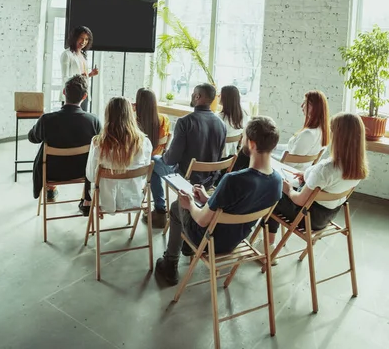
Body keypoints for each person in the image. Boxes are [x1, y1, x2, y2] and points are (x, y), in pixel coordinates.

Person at [155, 116, 283, 285]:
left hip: (210, 241)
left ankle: (170, 263)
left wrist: (191, 204)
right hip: (236, 239)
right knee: (194, 203)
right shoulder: (277, 181)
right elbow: (235, 207)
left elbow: (201, 220)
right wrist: (208, 198)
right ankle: (185, 247)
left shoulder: (233, 180)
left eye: (243, 136)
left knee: (177, 205)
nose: (241, 139)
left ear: (251, 144)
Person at [264, 112, 368, 258]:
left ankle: (268, 247)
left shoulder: (327, 168)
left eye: (332, 131)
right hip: (326, 217)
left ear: (339, 137)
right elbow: (329, 184)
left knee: (272, 191)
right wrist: (307, 177)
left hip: (306, 218)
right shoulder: (358, 168)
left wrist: (288, 189)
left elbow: (299, 200)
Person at [145, 83, 226, 228]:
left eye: (193, 93)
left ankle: (160, 211)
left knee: (154, 161)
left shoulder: (185, 122)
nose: (191, 96)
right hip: (209, 180)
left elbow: (171, 159)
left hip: (186, 178)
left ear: (197, 96)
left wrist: (164, 155)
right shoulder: (221, 124)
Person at [29, 75, 101, 213]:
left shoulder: (46, 119)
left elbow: (33, 138)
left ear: (64, 92)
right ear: (85, 96)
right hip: (83, 171)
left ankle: (50, 189)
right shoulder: (93, 121)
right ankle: (87, 200)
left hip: (51, 172)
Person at [234, 90, 330, 172]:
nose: (301, 106)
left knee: (246, 153)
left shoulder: (308, 135)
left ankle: (229, 179)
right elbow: (290, 150)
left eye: (305, 102)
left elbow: (288, 163)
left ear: (314, 107)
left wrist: (266, 152)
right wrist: (270, 146)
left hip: (287, 174)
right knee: (255, 149)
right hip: (297, 171)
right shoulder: (321, 131)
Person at [86, 97, 152, 214]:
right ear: (130, 115)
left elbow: (91, 176)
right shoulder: (144, 142)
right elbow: (144, 176)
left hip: (104, 201)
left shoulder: (98, 143)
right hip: (133, 198)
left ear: (108, 115)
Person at [60, 25, 99, 112]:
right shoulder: (67, 54)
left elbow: (82, 77)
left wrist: (90, 74)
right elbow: (65, 78)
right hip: (71, 96)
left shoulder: (83, 55)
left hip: (84, 94)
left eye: (86, 39)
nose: (83, 42)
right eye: (81, 38)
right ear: (75, 38)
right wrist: (79, 77)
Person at [135, 87, 170, 156]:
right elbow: (165, 141)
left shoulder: (133, 122)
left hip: (140, 160)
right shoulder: (164, 119)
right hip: (156, 158)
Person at [218, 85, 249, 157]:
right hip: (233, 155)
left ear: (225, 98)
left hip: (218, 156)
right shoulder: (243, 114)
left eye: (220, 94)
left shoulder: (218, 118)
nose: (218, 96)